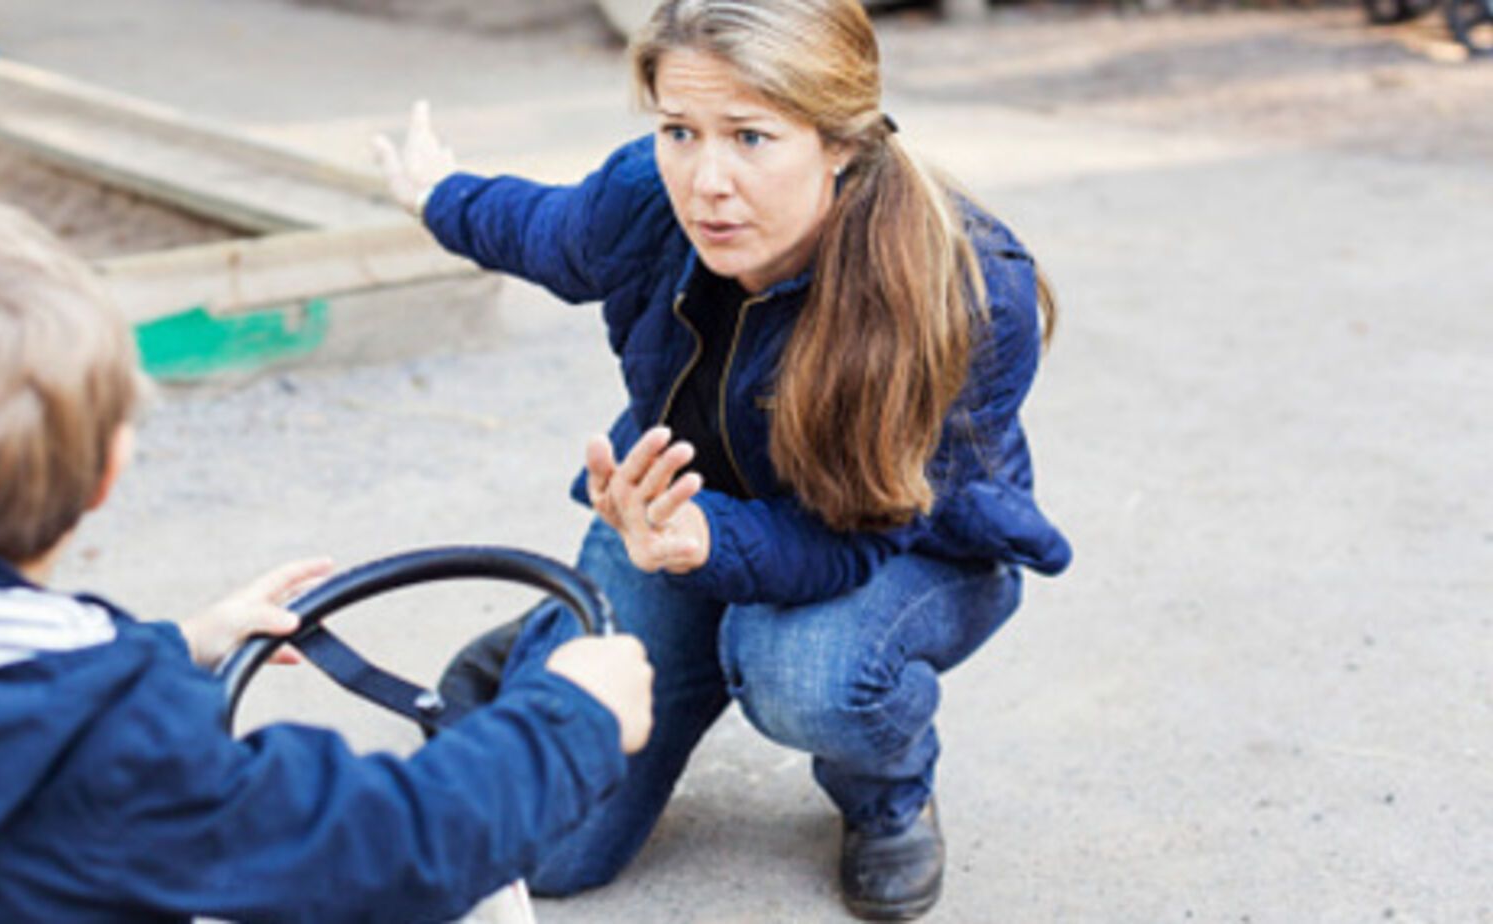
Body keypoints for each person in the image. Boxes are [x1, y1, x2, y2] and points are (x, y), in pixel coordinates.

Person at [0, 199, 654, 923]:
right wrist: (570, 721)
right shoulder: (112, 740)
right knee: (476, 893)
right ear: (109, 472)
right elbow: (391, 842)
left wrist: (175, 644)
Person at [373, 0, 1071, 919]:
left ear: (841, 142)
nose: (706, 181)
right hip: (676, 511)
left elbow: (857, 535)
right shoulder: (648, 195)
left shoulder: (967, 293)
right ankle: (563, 637)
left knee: (799, 670)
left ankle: (888, 798)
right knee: (549, 852)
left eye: (751, 137)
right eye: (678, 131)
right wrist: (439, 197)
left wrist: (710, 544)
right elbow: (545, 231)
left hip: (897, 547)